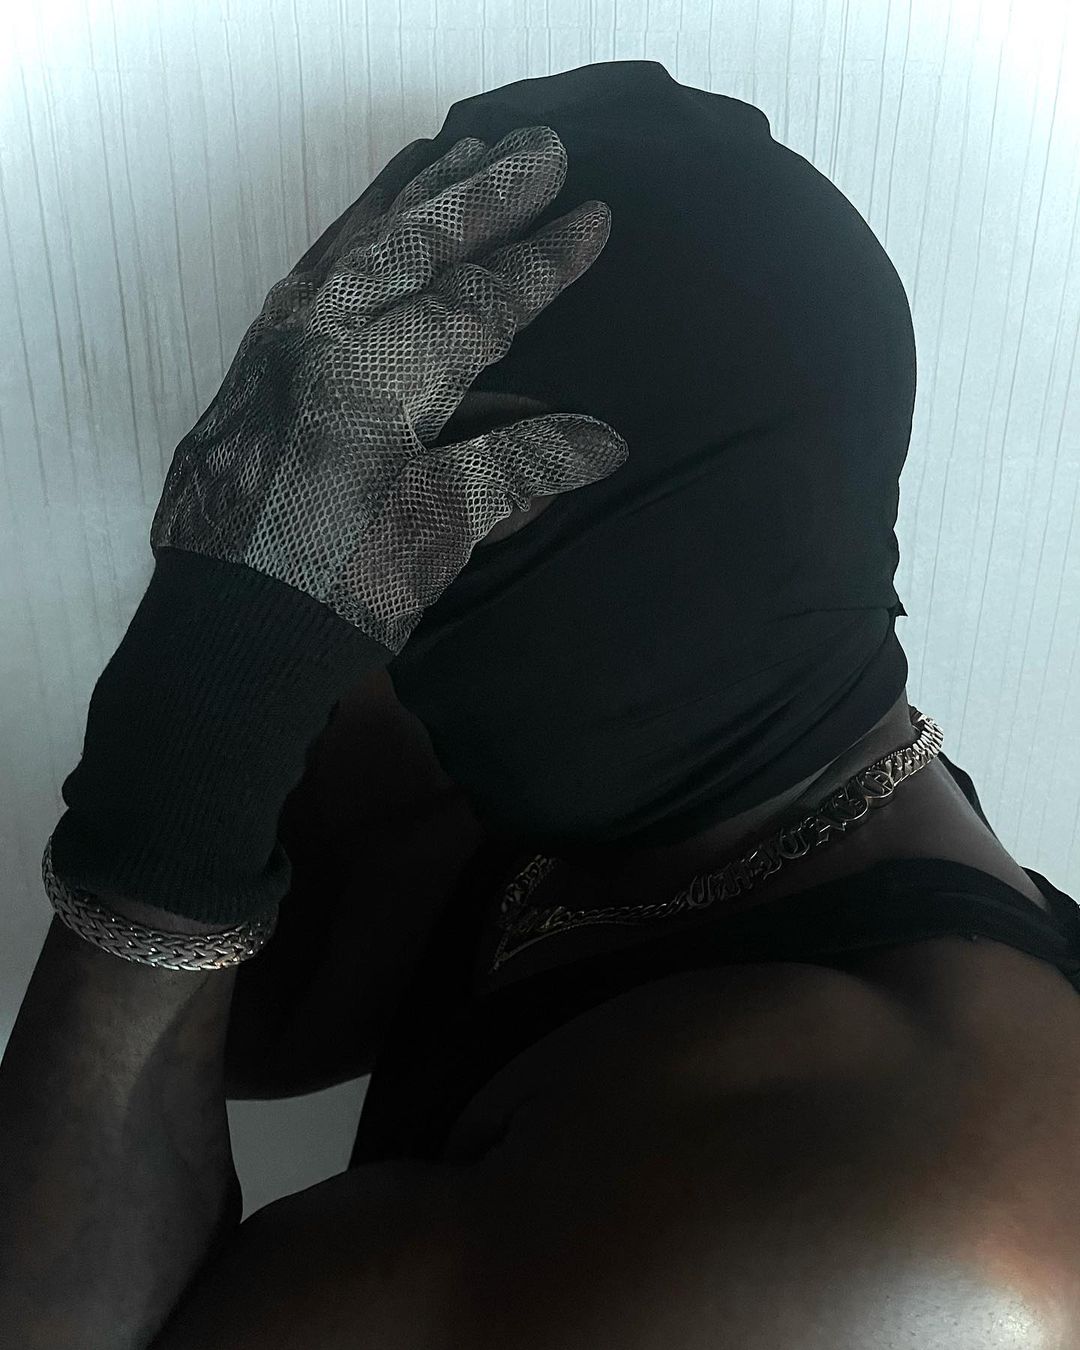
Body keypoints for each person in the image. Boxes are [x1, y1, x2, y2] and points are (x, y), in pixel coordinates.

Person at [17, 61, 1080, 1348]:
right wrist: (231, 663)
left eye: (457, 487)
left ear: (708, 529)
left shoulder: (884, 1217)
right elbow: (256, 1028)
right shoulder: (648, 772)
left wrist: (197, 697)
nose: (358, 553)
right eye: (338, 462)